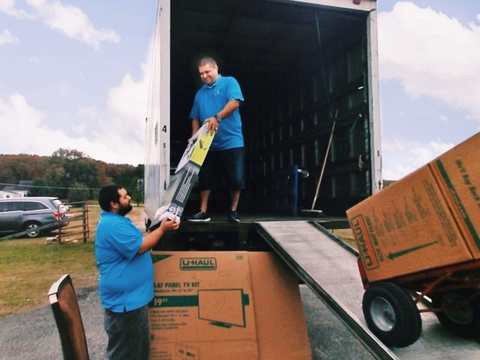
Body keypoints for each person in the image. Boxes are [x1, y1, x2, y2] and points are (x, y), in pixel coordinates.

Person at [95, 185, 180, 360]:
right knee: (126, 353)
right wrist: (162, 229)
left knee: (136, 350)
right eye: (125, 197)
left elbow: (138, 240)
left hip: (131, 301)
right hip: (126, 305)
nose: (129, 198)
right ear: (114, 204)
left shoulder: (116, 221)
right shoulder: (112, 225)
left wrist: (156, 226)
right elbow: (139, 247)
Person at [187, 56, 245, 223]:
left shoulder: (229, 82)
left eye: (207, 72)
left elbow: (234, 102)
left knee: (235, 178)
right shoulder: (199, 94)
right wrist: (194, 136)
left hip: (232, 141)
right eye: (201, 73)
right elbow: (195, 118)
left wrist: (217, 117)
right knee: (205, 179)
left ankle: (233, 211)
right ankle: (203, 211)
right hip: (207, 145)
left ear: (216, 68)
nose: (204, 76)